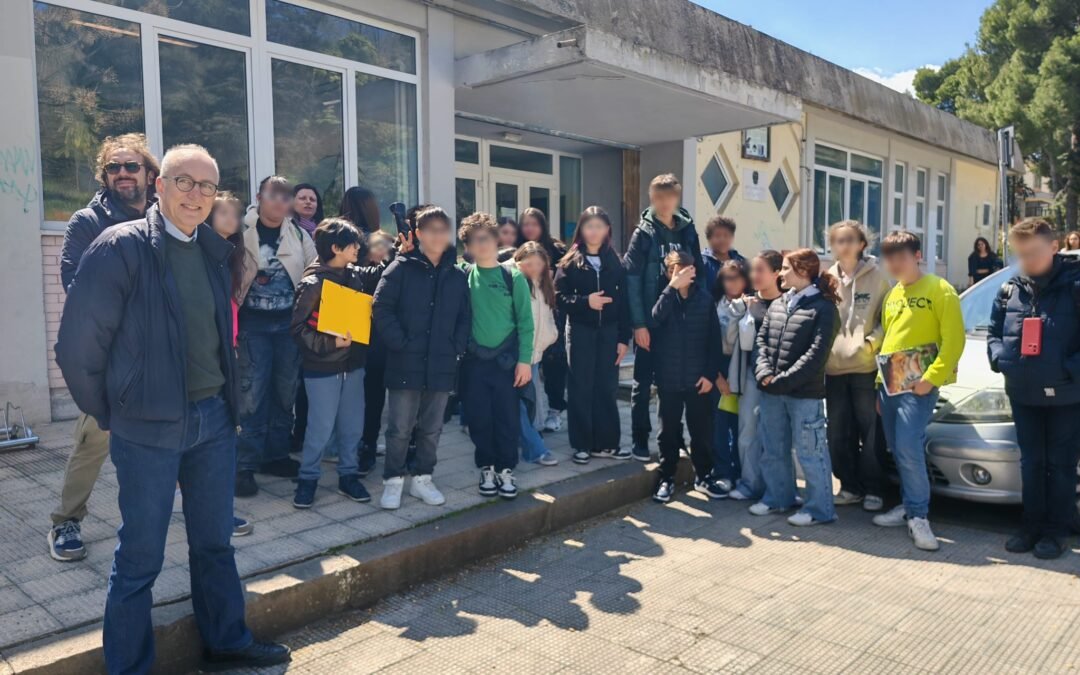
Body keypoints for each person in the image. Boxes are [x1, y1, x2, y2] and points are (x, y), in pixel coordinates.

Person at [54, 144, 290, 673]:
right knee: (140, 558)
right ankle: (129, 666)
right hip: (147, 427)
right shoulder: (120, 246)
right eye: (185, 182)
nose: (196, 195)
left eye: (207, 186)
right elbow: (77, 347)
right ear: (160, 186)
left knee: (214, 545)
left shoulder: (214, 249)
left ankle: (227, 642)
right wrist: (115, 412)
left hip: (212, 422)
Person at [48, 132, 159, 562]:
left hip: (161, 348)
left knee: (184, 432)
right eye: (114, 167)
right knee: (95, 439)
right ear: (105, 174)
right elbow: (76, 287)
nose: (123, 174)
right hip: (112, 353)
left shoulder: (164, 215)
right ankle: (65, 520)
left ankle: (212, 512)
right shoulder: (88, 221)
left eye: (132, 166)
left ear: (150, 173)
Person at [988, 218, 1080, 559]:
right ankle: (1030, 526)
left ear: (1055, 247)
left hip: (1066, 396)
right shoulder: (1011, 288)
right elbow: (995, 331)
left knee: (1061, 464)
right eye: (1020, 253)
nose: (1027, 259)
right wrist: (1000, 359)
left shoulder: (1075, 284)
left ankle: (1056, 532)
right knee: (1031, 462)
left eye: (1034, 252)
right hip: (1023, 392)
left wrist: (1068, 371)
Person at [290, 218, 398, 508]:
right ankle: (308, 479)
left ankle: (348, 476)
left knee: (352, 426)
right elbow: (298, 330)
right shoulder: (312, 283)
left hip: (354, 364)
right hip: (321, 369)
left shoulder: (354, 274)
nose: (358, 248)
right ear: (336, 248)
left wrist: (400, 249)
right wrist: (330, 344)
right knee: (320, 428)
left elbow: (379, 273)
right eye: (352, 243)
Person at [373, 207, 470, 509]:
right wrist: (399, 342)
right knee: (400, 427)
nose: (438, 235)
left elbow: (464, 318)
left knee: (432, 428)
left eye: (443, 229)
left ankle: (423, 478)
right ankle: (393, 480)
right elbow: (381, 308)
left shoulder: (456, 276)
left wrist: (457, 347)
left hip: (441, 365)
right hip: (406, 361)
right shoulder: (400, 268)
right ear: (418, 234)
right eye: (431, 229)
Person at [874, 231, 964, 551]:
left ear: (918, 255)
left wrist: (930, 379)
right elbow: (889, 342)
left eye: (902, 256)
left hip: (919, 387)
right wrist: (879, 389)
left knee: (909, 448)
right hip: (891, 386)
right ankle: (908, 506)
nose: (895, 264)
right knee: (898, 450)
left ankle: (918, 516)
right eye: (890, 258)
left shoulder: (941, 290)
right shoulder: (893, 294)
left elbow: (954, 341)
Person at [235, 176, 317, 498]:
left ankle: (276, 456)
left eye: (286, 197)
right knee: (251, 396)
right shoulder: (240, 230)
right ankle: (244, 465)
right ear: (260, 197)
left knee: (285, 393)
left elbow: (314, 269)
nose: (280, 202)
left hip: (288, 327)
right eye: (274, 195)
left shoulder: (298, 233)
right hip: (251, 327)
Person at [752, 248, 840, 527]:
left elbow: (816, 355)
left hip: (804, 394)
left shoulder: (824, 308)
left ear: (803, 271)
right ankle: (778, 498)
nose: (781, 273)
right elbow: (762, 340)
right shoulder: (780, 303)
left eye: (787, 268)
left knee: (810, 452)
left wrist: (782, 381)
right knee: (774, 448)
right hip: (772, 392)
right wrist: (764, 372)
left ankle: (820, 509)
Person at [624, 173, 705, 462]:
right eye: (658, 197)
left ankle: (674, 438)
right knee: (643, 383)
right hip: (651, 319)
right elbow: (632, 280)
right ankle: (639, 439)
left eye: (668, 196)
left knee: (675, 383)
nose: (663, 202)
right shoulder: (643, 233)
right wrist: (639, 324)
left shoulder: (687, 230)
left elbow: (699, 273)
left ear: (676, 197)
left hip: (678, 322)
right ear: (652, 198)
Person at [459, 212, 534, 499]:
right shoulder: (463, 275)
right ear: (468, 246)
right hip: (475, 362)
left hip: (507, 362)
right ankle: (487, 467)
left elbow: (526, 323)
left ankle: (506, 468)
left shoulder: (512, 276)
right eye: (475, 241)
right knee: (479, 417)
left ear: (496, 239)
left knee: (507, 418)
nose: (483, 245)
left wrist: (524, 361)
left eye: (487, 238)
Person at [555, 206, 632, 464]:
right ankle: (581, 444)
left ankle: (608, 443)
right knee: (580, 387)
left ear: (607, 230)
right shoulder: (570, 262)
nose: (594, 231)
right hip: (580, 331)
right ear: (581, 229)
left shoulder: (616, 263)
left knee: (607, 387)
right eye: (589, 226)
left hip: (610, 333)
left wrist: (623, 339)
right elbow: (558, 298)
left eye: (599, 226)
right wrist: (586, 302)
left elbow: (624, 304)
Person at [825, 221, 892, 513]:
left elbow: (887, 320)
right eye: (838, 241)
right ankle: (849, 486)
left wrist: (870, 344)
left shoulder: (879, 277)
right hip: (834, 368)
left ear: (862, 244)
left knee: (871, 431)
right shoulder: (827, 278)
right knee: (838, 432)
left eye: (850, 240)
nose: (844, 245)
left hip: (866, 368)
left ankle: (875, 489)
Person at [650, 250, 725, 503]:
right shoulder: (663, 296)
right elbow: (655, 319)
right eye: (674, 269)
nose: (680, 274)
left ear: (694, 271)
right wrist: (671, 288)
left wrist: (709, 375)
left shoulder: (704, 300)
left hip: (697, 379)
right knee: (667, 432)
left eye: (685, 269)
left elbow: (714, 342)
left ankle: (704, 475)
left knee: (701, 431)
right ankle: (666, 478)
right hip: (668, 378)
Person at [209, 191, 257, 538]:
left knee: (227, 426)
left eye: (235, 213)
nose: (231, 218)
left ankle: (219, 509)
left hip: (231, 347)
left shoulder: (234, 256)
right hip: (206, 352)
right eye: (222, 212)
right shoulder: (198, 252)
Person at [727, 251, 784, 502]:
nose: (754, 276)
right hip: (751, 375)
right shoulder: (748, 304)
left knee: (779, 435)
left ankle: (780, 489)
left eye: (760, 270)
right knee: (747, 430)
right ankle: (750, 483)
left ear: (776, 273)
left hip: (782, 378)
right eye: (752, 270)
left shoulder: (788, 304)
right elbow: (729, 342)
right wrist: (738, 314)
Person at [516, 207, 570, 432]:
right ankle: (531, 416)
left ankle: (555, 410)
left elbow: (566, 279)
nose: (530, 228)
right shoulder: (515, 250)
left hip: (551, 314)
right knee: (529, 367)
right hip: (526, 316)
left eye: (534, 223)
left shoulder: (557, 250)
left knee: (554, 364)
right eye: (526, 223)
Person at [510, 242, 560, 466]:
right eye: (529, 263)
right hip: (517, 355)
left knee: (528, 403)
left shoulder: (544, 284)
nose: (534, 268)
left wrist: (550, 337)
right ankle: (535, 449)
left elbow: (548, 317)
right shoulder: (511, 279)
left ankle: (525, 442)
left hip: (536, 354)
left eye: (539, 264)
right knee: (519, 404)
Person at [712, 259, 752, 492]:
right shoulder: (714, 305)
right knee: (720, 424)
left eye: (737, 277)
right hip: (720, 368)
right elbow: (708, 343)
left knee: (743, 426)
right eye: (727, 277)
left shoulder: (753, 305)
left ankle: (741, 472)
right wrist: (717, 376)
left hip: (744, 369)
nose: (732, 283)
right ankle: (723, 472)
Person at [359, 230, 397, 474]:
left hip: (390, 344)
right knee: (369, 400)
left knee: (390, 402)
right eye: (377, 244)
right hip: (363, 345)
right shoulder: (358, 272)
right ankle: (366, 446)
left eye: (387, 245)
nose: (382, 248)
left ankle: (393, 449)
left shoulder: (396, 272)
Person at [702, 215, 746, 296]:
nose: (722, 239)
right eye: (717, 236)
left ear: (732, 237)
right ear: (709, 239)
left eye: (726, 235)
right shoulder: (701, 263)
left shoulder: (742, 263)